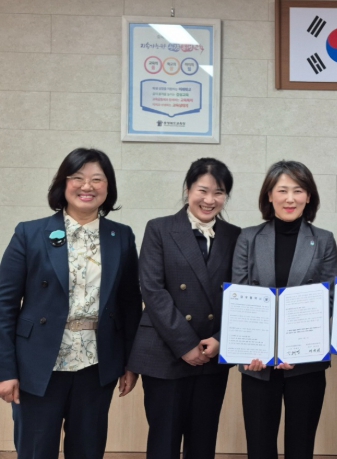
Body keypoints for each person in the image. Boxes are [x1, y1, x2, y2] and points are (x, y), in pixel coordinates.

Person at [0, 148, 142, 459]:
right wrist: (5, 369)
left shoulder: (121, 236)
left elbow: (130, 304)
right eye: (77, 178)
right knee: (36, 451)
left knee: (88, 450)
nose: (87, 186)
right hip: (38, 365)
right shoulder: (29, 233)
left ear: (108, 186)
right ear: (63, 184)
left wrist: (131, 363)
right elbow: (4, 306)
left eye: (97, 179)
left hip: (96, 364)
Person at [127, 158, 240, 459]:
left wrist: (219, 340)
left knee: (203, 442)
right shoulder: (160, 228)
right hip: (165, 351)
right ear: (188, 189)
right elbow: (153, 291)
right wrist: (186, 345)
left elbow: (240, 295)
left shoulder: (235, 236)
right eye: (202, 190)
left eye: (219, 192)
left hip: (211, 353)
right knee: (163, 443)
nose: (210, 200)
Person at [231, 160, 337, 459]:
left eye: (298, 190)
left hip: (306, 363)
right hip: (257, 363)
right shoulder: (248, 238)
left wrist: (295, 348)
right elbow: (240, 296)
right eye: (282, 190)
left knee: (301, 448)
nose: (290, 198)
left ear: (309, 196)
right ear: (269, 195)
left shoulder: (324, 240)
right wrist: (255, 349)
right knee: (259, 448)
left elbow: (329, 299)